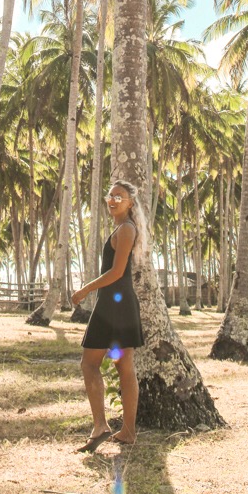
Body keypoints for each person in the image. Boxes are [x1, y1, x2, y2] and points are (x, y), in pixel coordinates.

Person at [71, 180, 145, 453]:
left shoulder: (126, 229)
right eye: (111, 195)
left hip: (114, 303)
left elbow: (116, 272)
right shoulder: (123, 228)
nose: (113, 200)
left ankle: (101, 426)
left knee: (90, 363)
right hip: (121, 303)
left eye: (120, 196)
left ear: (130, 203)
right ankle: (127, 432)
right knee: (124, 368)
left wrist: (84, 290)